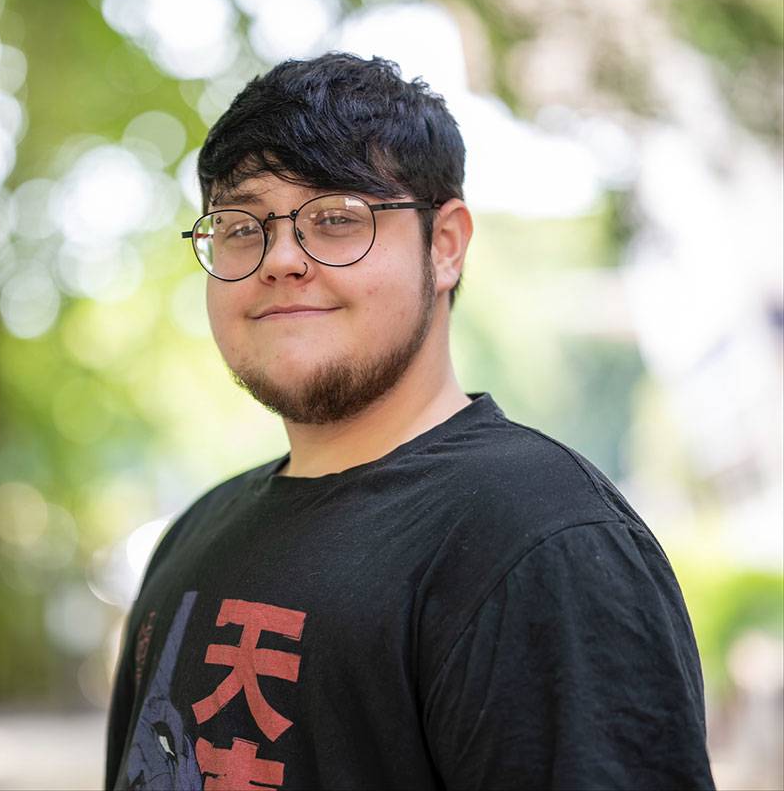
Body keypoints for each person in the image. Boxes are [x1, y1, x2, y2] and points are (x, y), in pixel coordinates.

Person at [104, 53, 714, 791]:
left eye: (335, 219)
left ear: (445, 244)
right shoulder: (195, 534)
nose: (281, 259)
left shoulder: (541, 544)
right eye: (241, 226)